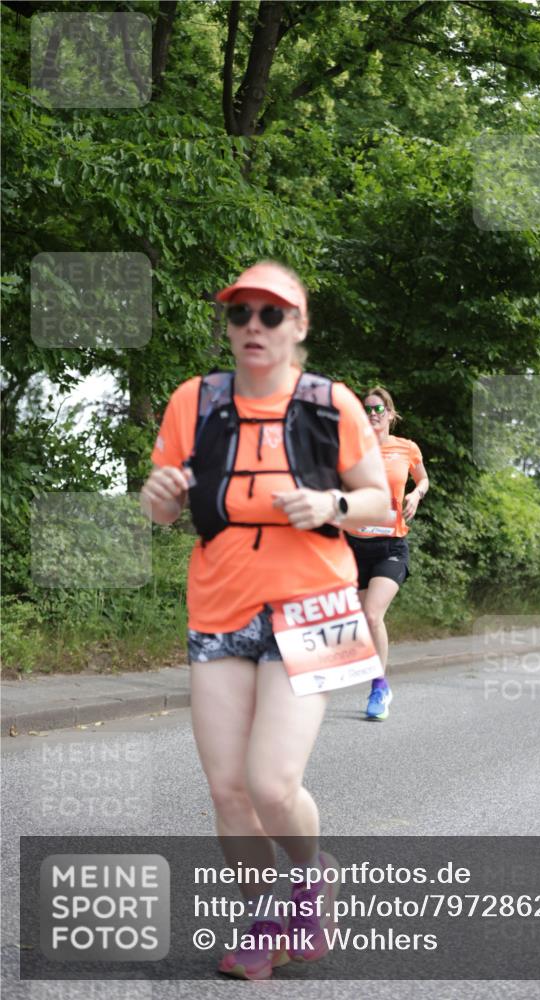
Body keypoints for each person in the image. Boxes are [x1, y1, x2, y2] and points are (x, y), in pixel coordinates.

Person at [140, 261, 389, 980]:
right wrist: (157, 495)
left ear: (298, 327)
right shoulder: (195, 400)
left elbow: (376, 498)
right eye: (240, 313)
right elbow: (163, 509)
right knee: (227, 789)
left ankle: (311, 878)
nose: (253, 325)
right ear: (228, 326)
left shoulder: (330, 403)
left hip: (317, 603)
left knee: (271, 783)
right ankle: (262, 920)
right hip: (219, 607)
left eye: (271, 314)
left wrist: (331, 506)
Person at [345, 386, 428, 719]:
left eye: (378, 409)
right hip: (352, 546)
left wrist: (416, 495)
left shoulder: (406, 448)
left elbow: (422, 479)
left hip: (390, 546)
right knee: (361, 623)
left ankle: (379, 689)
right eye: (366, 409)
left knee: (373, 615)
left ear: (391, 414)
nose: (372, 415)